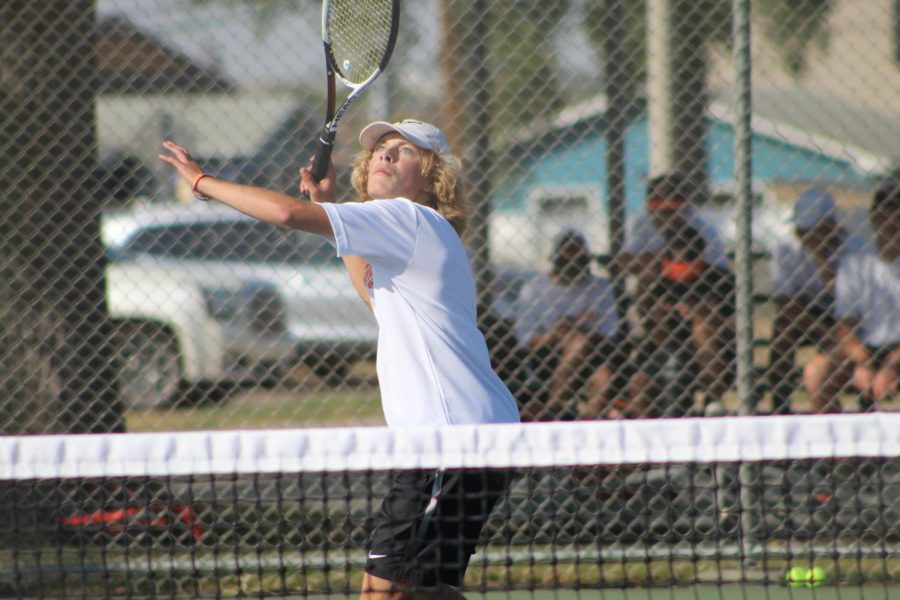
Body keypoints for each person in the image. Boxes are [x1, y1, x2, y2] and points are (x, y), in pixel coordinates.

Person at [159, 118, 521, 599]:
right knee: (430, 588)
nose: (384, 155)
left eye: (404, 151)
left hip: (450, 439)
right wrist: (329, 209)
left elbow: (287, 214)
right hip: (476, 434)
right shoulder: (415, 238)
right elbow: (373, 297)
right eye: (380, 149)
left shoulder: (408, 218)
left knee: (382, 591)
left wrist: (203, 182)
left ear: (434, 179)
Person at [617, 172, 732, 415]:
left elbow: (719, 281)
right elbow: (624, 263)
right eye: (659, 209)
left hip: (700, 301)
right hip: (661, 303)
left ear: (684, 207)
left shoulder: (703, 230)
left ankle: (713, 400)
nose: (665, 216)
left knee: (703, 327)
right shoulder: (641, 224)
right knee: (651, 286)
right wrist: (660, 259)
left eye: (673, 209)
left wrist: (699, 306)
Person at [765, 189, 868, 414]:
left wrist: (821, 261)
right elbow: (785, 303)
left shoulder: (855, 247)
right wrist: (821, 330)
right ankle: (780, 404)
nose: (804, 235)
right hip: (807, 312)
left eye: (811, 229)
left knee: (850, 339)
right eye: (801, 230)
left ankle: (862, 403)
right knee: (783, 331)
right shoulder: (786, 247)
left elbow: (850, 299)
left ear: (830, 225)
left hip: (848, 316)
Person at [804, 180, 900, 412]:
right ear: (874, 218)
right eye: (886, 216)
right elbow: (845, 326)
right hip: (866, 347)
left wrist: (892, 367)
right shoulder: (855, 262)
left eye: (897, 217)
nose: (892, 224)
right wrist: (864, 362)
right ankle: (836, 443)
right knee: (816, 372)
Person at [512, 229, 621, 421]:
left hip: (593, 354)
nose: (573, 265)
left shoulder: (600, 286)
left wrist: (578, 329)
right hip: (547, 355)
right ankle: (554, 409)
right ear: (556, 259)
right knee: (576, 340)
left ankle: (582, 422)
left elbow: (610, 331)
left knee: (602, 375)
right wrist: (554, 335)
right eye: (566, 259)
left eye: (579, 260)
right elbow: (525, 338)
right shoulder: (535, 288)